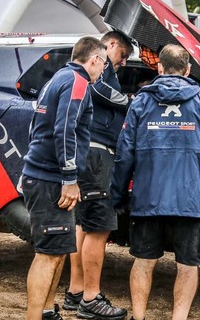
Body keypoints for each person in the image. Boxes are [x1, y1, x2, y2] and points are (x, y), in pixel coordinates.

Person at [111, 44, 200, 320]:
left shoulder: (141, 102)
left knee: (143, 261)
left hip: (147, 199)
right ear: (188, 70)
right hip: (191, 202)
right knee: (188, 266)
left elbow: (124, 154)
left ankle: (139, 317)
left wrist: (117, 195)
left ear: (159, 67)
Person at [20, 36, 108, 320]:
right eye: (103, 64)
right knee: (47, 255)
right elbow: (65, 130)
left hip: (46, 176)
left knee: (57, 252)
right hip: (50, 180)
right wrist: (69, 179)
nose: (103, 71)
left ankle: (46, 312)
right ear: (94, 59)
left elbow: (37, 126)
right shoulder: (77, 82)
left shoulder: (58, 77)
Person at [64, 31, 132, 320]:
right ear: (111, 44)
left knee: (84, 224)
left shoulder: (102, 68)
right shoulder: (98, 67)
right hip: (97, 153)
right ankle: (91, 298)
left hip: (90, 153)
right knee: (99, 227)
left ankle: (76, 291)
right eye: (123, 55)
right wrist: (131, 99)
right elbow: (98, 89)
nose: (123, 62)